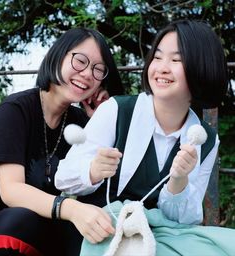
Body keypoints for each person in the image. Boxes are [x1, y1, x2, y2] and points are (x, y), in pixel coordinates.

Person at [55, 20, 233, 255]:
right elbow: (62, 178)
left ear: (202, 67)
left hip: (165, 237)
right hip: (104, 233)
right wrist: (93, 170)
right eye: (157, 57)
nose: (161, 67)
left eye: (176, 59)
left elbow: (187, 219)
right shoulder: (116, 111)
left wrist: (178, 181)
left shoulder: (206, 139)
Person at [0, 27, 124, 256]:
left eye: (98, 70)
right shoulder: (16, 109)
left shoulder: (80, 123)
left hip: (37, 227)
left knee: (92, 226)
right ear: (58, 56)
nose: (88, 74)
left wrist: (101, 118)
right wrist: (69, 208)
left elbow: (103, 184)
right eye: (80, 61)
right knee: (24, 220)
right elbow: (11, 191)